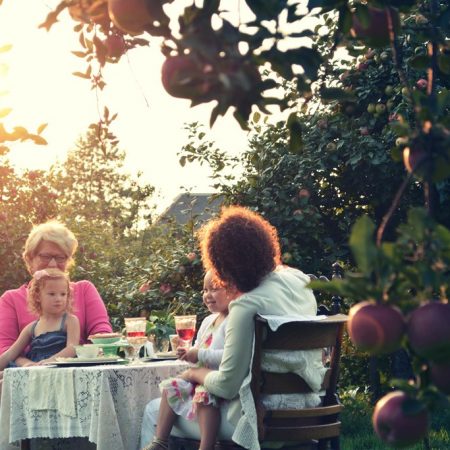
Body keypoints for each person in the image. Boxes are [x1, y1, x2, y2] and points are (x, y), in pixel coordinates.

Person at [141, 206, 323, 450]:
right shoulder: (299, 281)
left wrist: (194, 373)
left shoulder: (246, 305)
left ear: (226, 265)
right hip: (309, 410)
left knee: (153, 411)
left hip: (258, 420)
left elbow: (227, 386)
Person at [141, 270, 240, 450]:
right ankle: (160, 441)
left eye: (214, 289)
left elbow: (229, 355)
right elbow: (199, 348)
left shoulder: (234, 320)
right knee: (171, 386)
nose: (207, 295)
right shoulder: (208, 321)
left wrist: (199, 355)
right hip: (200, 376)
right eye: (204, 290)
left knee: (203, 396)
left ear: (232, 289)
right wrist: (188, 354)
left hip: (217, 379)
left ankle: (207, 445)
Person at [0, 220, 112, 367]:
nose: (53, 264)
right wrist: (30, 366)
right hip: (30, 379)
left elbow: (102, 336)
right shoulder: (11, 299)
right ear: (29, 259)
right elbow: (6, 349)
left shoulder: (85, 289)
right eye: (45, 256)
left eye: (61, 257)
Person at [0, 268, 80, 369]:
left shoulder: (70, 320)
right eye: (52, 294)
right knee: (4, 378)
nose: (58, 299)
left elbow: (72, 348)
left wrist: (50, 361)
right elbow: (10, 354)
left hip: (59, 367)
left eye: (63, 294)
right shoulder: (32, 328)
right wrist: (31, 364)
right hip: (35, 368)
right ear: (38, 296)